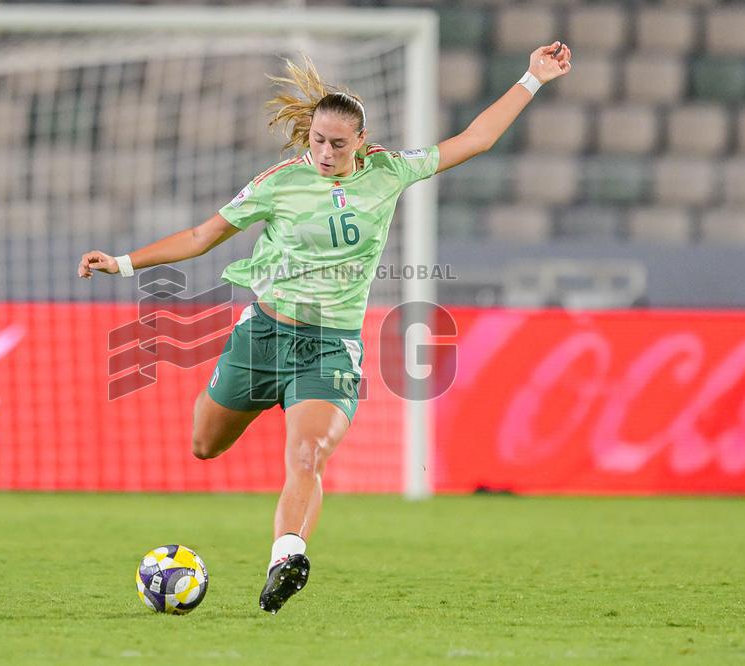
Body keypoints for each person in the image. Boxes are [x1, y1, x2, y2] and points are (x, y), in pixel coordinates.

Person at [78, 43, 572, 614]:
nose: (325, 153)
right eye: (317, 140)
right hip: (262, 337)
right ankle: (278, 512)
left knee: (308, 454)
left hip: (328, 347)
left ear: (361, 141)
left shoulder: (388, 171)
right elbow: (200, 237)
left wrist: (532, 77)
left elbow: (476, 139)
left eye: (338, 143)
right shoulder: (279, 183)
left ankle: (286, 557)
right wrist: (122, 263)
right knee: (204, 444)